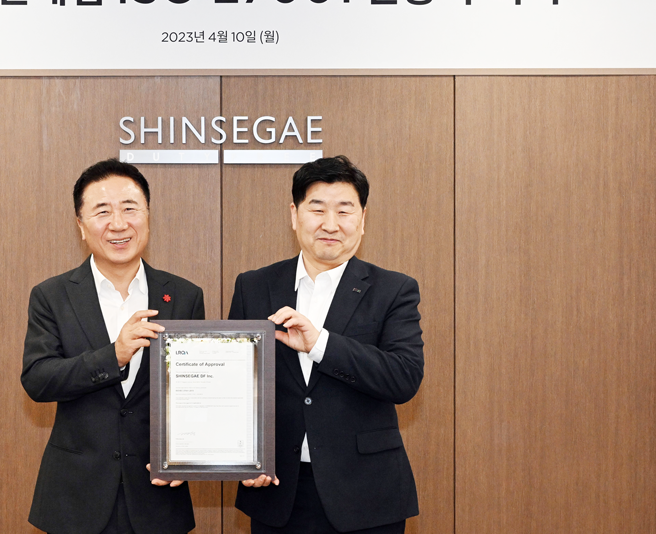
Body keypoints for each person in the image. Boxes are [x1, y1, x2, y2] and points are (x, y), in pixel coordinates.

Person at [230, 155, 424, 534]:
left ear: (362, 219)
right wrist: (240, 458)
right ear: (294, 215)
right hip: (276, 491)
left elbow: (403, 378)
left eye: (344, 211)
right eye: (317, 209)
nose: (330, 224)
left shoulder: (394, 289)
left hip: (366, 495)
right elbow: (237, 385)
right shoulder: (254, 286)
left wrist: (320, 344)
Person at [22, 158, 203, 534]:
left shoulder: (184, 296)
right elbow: (38, 379)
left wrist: (188, 456)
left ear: (148, 216)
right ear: (81, 225)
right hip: (76, 499)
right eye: (103, 211)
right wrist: (113, 356)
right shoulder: (52, 296)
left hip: (156, 497)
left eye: (130, 209)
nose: (118, 224)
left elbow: (194, 392)